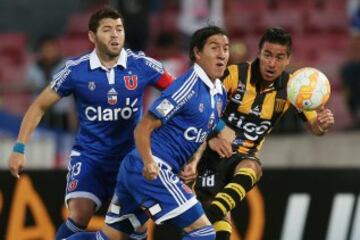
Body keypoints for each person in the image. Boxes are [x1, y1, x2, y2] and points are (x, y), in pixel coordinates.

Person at [7, 7, 173, 240]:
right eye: (107, 30)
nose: (115, 35)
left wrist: (213, 131)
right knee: (79, 214)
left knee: (136, 226)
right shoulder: (75, 70)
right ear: (92, 36)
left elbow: (183, 95)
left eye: (119, 29)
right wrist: (19, 147)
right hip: (90, 157)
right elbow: (39, 106)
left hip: (129, 159)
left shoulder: (143, 65)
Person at [66, 25, 230, 240]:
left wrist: (194, 162)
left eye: (226, 48)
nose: (222, 54)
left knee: (107, 238)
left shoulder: (220, 94)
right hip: (151, 167)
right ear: (197, 53)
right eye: (214, 48)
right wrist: (149, 162)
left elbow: (202, 133)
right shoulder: (187, 86)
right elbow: (143, 127)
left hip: (139, 169)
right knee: (204, 233)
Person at [194, 27, 335, 240]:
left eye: (279, 57)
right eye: (267, 55)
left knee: (253, 167)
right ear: (258, 53)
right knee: (220, 231)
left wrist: (322, 125)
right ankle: (217, 210)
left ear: (288, 59)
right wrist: (214, 136)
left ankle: (218, 207)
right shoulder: (235, 75)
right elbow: (201, 107)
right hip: (211, 157)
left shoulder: (292, 88)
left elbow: (315, 127)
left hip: (242, 159)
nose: (272, 63)